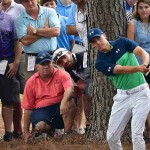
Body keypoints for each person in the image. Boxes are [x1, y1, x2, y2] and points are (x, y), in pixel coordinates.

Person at [87, 28, 150, 150]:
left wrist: (146, 65)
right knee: (112, 137)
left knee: (136, 134)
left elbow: (143, 53)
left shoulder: (122, 42)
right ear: (92, 45)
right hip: (122, 97)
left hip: (141, 92)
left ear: (104, 35)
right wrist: (139, 68)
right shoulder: (100, 62)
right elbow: (119, 69)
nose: (98, 43)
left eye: (98, 38)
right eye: (94, 42)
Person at [22, 51, 76, 143]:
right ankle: (47, 131)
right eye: (43, 64)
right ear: (37, 66)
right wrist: (26, 132)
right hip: (42, 109)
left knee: (70, 102)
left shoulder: (62, 74)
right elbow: (27, 108)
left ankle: (67, 134)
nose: (46, 66)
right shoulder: (31, 82)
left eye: (48, 63)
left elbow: (70, 89)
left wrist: (63, 102)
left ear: (52, 63)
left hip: (59, 106)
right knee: (41, 126)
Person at [15, 0, 60, 81]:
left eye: (31, 0)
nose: (30, 3)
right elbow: (25, 41)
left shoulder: (50, 12)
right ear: (21, 3)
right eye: (26, 1)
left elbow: (56, 32)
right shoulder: (19, 20)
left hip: (51, 57)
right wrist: (45, 30)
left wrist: (35, 31)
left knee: (55, 87)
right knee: (34, 88)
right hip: (31, 59)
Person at [52, 48, 91, 134]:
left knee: (86, 94)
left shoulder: (84, 56)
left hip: (96, 83)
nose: (64, 61)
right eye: (61, 62)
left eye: (64, 57)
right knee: (80, 93)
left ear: (70, 53)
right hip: (87, 86)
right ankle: (83, 126)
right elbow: (81, 85)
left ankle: (86, 124)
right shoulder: (67, 69)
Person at [127, 0, 150, 141]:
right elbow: (131, 49)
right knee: (146, 99)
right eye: (140, 7)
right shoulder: (133, 24)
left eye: (146, 7)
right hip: (141, 65)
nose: (143, 10)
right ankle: (147, 130)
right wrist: (140, 67)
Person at [1, 0, 24, 139]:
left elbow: (17, 41)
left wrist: (15, 62)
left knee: (8, 99)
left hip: (5, 64)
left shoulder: (8, 19)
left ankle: (8, 132)